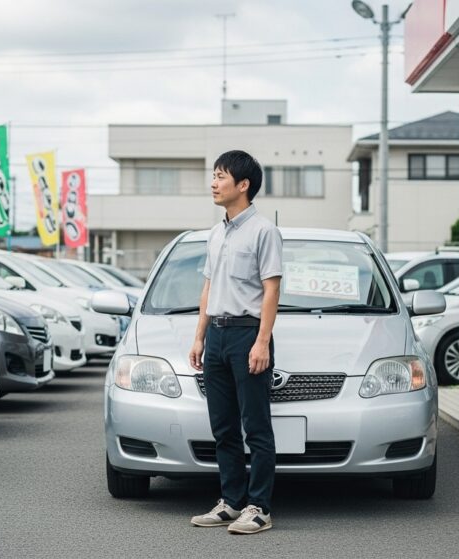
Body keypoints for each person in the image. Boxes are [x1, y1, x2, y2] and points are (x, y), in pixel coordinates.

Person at [188, 150, 282, 535]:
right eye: (213, 175)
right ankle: (231, 502)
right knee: (223, 427)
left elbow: (271, 288)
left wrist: (261, 342)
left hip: (248, 332)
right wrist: (199, 337)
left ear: (242, 185)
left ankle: (259, 507)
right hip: (218, 337)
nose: (213, 182)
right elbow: (208, 287)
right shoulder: (215, 233)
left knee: (255, 426)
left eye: (220, 176)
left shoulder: (264, 231)